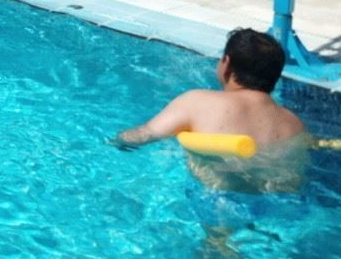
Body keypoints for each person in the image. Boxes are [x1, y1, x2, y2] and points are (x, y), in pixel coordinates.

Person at [115, 29, 308, 186]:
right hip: (274, 200)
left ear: (227, 64)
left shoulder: (197, 102)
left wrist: (117, 141)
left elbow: (143, 135)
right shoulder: (293, 123)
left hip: (216, 195)